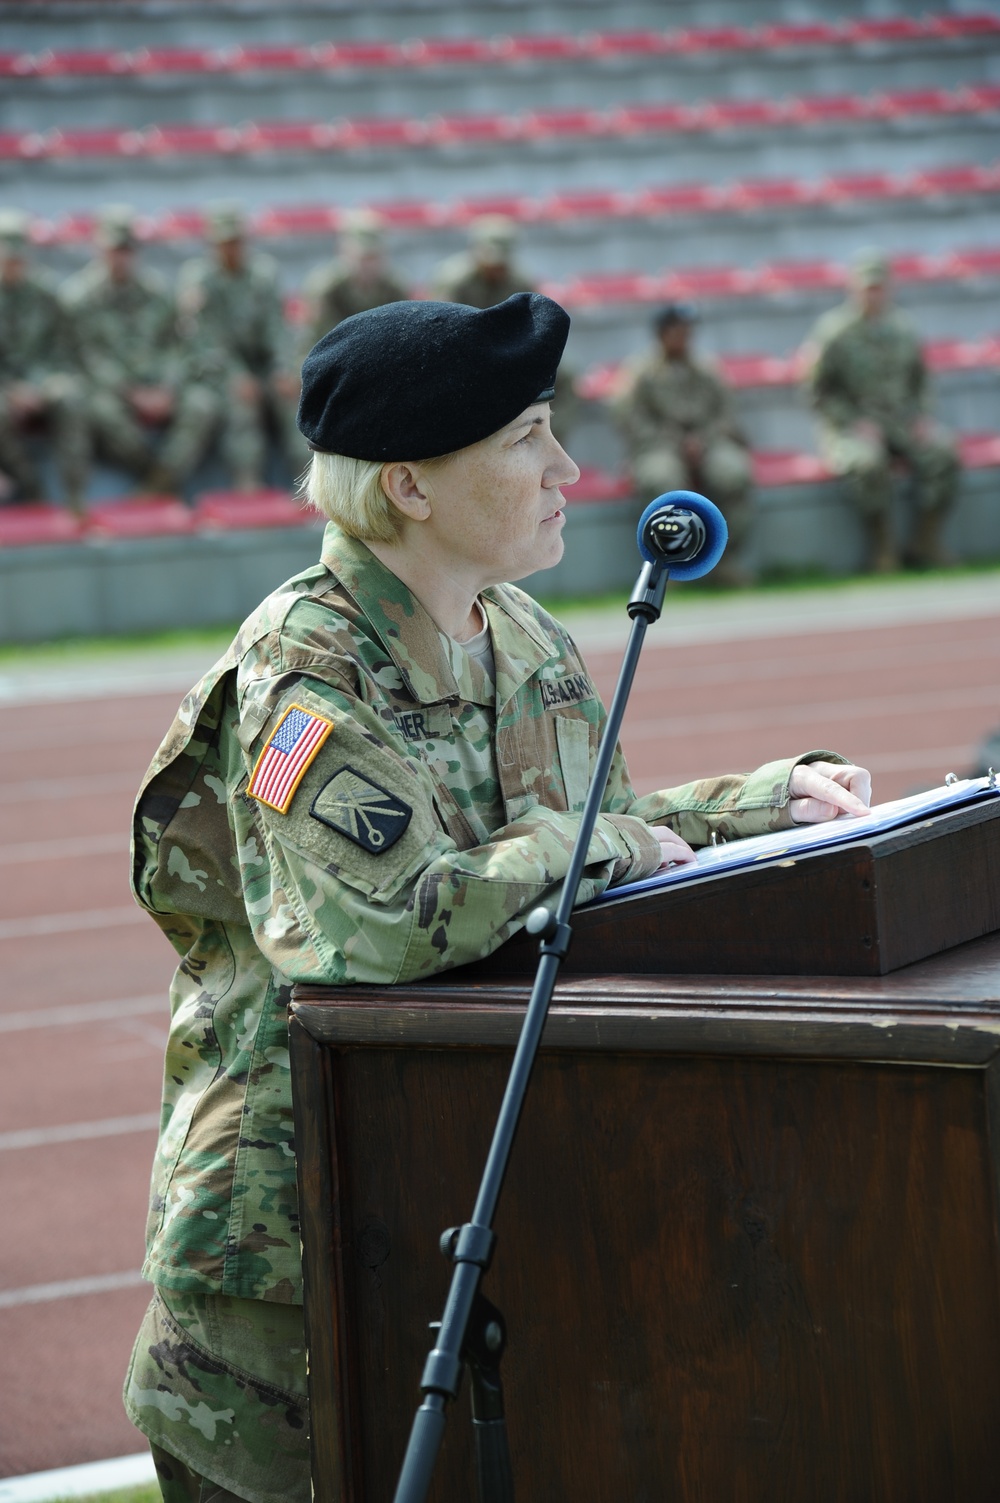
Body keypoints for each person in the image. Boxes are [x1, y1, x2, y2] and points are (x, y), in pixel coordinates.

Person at [124, 293, 872, 1503]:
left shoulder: (517, 633)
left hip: (455, 1195)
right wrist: (604, 846)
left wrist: (757, 804)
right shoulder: (301, 681)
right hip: (290, 1255)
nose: (566, 467)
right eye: (525, 439)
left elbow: (589, 828)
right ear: (410, 486)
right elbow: (387, 923)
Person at [803, 249, 960, 573]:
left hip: (900, 422)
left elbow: (921, 382)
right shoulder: (834, 331)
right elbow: (816, 391)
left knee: (944, 453)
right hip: (853, 426)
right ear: (854, 290)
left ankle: (925, 541)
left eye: (878, 287)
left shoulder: (904, 329)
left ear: (889, 288)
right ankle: (882, 546)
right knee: (867, 463)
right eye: (866, 288)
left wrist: (920, 416)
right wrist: (851, 422)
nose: (873, 294)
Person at [61, 204, 219, 494]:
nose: (120, 257)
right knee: (101, 411)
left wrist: (167, 388)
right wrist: (132, 394)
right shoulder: (79, 298)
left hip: (158, 386)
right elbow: (85, 356)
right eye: (114, 249)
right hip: (112, 389)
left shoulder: (155, 292)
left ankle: (158, 485)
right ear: (99, 249)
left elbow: (177, 345)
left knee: (201, 403)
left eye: (127, 249)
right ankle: (158, 477)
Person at [612, 303, 754, 586]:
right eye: (677, 331)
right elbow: (629, 417)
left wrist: (703, 438)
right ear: (662, 334)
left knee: (734, 475)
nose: (684, 337)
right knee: (663, 483)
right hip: (659, 445)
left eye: (687, 331)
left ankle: (723, 559)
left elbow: (725, 412)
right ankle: (669, 565)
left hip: (708, 442)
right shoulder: (641, 373)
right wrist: (676, 441)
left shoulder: (707, 369)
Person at [178, 202, 305, 492]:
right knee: (241, 406)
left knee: (290, 397)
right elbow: (202, 340)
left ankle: (307, 479)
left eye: (235, 241)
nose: (230, 249)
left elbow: (278, 328)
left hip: (261, 364)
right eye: (224, 243)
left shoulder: (263, 275)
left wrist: (282, 368)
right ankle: (248, 481)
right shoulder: (200, 280)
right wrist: (234, 374)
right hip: (217, 370)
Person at [432, 215, 579, 446]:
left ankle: (546, 438)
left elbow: (534, 326)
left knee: (564, 374)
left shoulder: (519, 281)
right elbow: (442, 329)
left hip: (508, 348)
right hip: (464, 352)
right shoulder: (454, 281)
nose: (495, 268)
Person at [0, 208, 89, 511]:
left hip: (41, 380)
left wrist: (37, 386)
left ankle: (75, 498)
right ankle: (31, 490)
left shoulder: (45, 294)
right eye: (8, 257)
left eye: (19, 257)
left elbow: (64, 350)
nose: (14, 264)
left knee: (70, 396)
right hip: (5, 387)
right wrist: (11, 389)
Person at [300, 207, 410, 351]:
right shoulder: (325, 288)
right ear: (344, 252)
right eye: (363, 258)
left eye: (375, 257)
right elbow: (316, 340)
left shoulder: (395, 287)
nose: (369, 265)